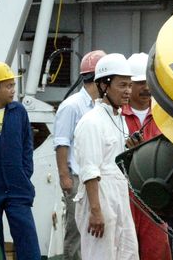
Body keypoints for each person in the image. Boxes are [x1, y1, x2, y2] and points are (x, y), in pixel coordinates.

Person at [73, 53, 139, 260]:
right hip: (99, 195)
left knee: (127, 252)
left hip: (119, 193)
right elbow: (89, 170)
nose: (128, 91)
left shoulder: (119, 119)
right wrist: (96, 211)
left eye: (130, 85)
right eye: (122, 85)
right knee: (100, 255)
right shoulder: (91, 122)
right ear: (104, 85)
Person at [0, 62, 39, 259]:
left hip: (18, 187)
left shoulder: (19, 111)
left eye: (13, 85)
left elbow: (27, 146)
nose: (13, 90)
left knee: (28, 242)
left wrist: (24, 173)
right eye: (8, 86)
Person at [53, 49, 106, 260]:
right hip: (76, 178)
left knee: (95, 230)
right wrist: (64, 177)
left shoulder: (101, 106)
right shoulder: (71, 106)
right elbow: (61, 143)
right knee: (76, 231)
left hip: (98, 178)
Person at [122, 52, 171, 260]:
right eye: (140, 83)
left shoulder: (164, 113)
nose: (146, 88)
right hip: (123, 196)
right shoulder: (116, 115)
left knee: (157, 248)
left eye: (148, 82)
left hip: (154, 195)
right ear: (129, 85)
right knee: (124, 250)